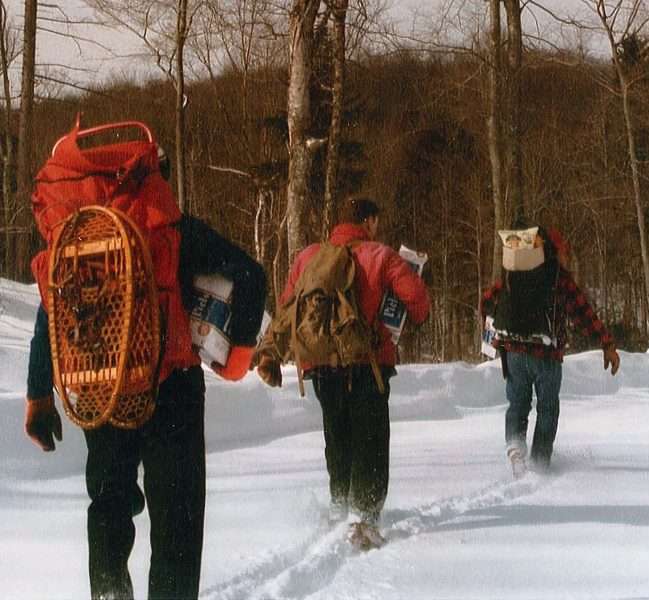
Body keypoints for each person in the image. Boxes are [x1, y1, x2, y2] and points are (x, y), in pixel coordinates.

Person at [24, 148, 266, 599]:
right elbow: (251, 275)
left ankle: (111, 593)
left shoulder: (73, 238)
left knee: (110, 504)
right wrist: (238, 357)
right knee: (177, 517)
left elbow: (50, 311)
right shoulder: (169, 226)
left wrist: (38, 396)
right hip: (170, 389)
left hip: (100, 384)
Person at [256, 196, 430, 550]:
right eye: (375, 222)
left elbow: (288, 305)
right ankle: (364, 519)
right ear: (369, 221)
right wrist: (418, 315)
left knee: (338, 438)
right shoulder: (380, 255)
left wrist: (272, 352)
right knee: (371, 440)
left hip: (320, 366)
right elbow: (417, 298)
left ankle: (339, 508)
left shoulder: (308, 257)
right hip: (368, 364)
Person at [481, 226, 619, 476]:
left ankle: (515, 446)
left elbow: (487, 301)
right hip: (546, 355)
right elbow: (583, 313)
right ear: (555, 252)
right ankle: (540, 463)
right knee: (547, 408)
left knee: (518, 404)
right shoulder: (558, 278)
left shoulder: (513, 274)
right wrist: (606, 343)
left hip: (513, 352)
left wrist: (491, 333)